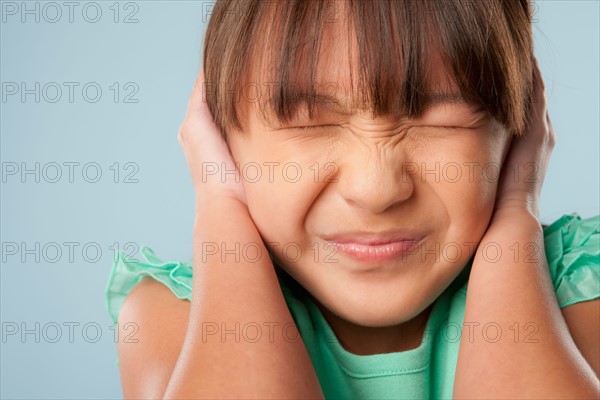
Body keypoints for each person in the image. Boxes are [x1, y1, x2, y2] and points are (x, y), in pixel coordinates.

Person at [105, 1, 600, 398]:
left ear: (517, 134)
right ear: (221, 137)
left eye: (443, 122)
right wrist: (219, 209)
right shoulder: (171, 316)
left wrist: (517, 214)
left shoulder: (577, 285)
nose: (377, 190)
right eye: (310, 123)